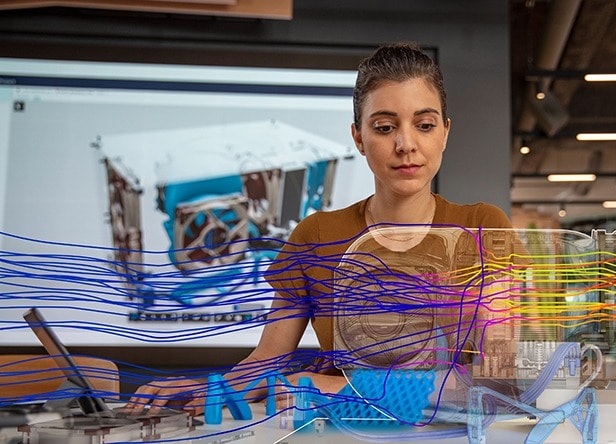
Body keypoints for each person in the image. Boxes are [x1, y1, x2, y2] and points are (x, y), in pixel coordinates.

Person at [127, 41, 512, 413]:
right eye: (384, 127)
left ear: (445, 131)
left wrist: (340, 389)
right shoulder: (316, 235)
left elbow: (498, 377)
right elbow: (268, 360)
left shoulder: (483, 227)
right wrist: (210, 390)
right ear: (358, 137)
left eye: (424, 125)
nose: (406, 144)